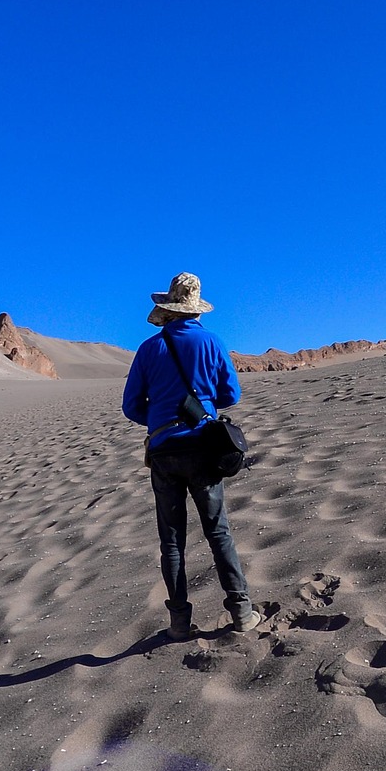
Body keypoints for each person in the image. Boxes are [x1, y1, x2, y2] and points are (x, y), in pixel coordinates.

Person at [122, 272, 258, 639]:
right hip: (203, 449)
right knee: (218, 532)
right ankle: (242, 613)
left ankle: (179, 623)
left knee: (171, 541)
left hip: (163, 452)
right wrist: (203, 407)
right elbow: (231, 395)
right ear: (196, 309)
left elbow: (131, 406)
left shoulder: (148, 348)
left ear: (168, 308)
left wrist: (160, 419)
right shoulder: (212, 342)